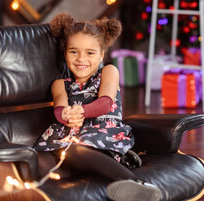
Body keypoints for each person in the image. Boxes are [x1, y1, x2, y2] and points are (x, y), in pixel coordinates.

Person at [33, 13, 162, 201]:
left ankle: (137, 185)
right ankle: (117, 160)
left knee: (75, 151)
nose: (81, 59)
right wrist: (67, 115)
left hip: (102, 131)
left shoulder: (109, 72)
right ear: (65, 52)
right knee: (41, 163)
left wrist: (83, 111)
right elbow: (59, 108)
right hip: (69, 136)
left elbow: (105, 103)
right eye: (73, 51)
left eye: (90, 52)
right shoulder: (60, 84)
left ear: (101, 54)